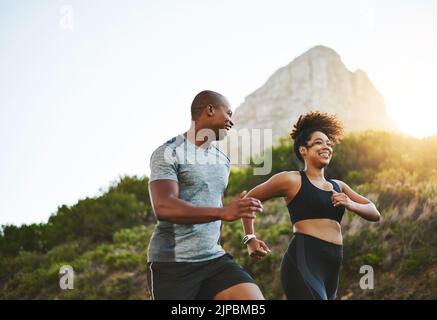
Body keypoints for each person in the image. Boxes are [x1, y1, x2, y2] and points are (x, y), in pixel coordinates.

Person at [241, 111, 381, 300]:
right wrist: (250, 238)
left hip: (332, 265)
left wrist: (351, 204)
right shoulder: (291, 180)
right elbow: (248, 201)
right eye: (318, 142)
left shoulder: (338, 186)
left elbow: (374, 212)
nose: (326, 147)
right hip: (303, 261)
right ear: (303, 150)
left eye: (328, 144)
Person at [147, 90, 265, 300]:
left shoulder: (222, 160)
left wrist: (249, 237)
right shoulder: (168, 152)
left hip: (214, 259)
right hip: (173, 264)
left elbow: (215, 206)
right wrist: (223, 212)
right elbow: (164, 207)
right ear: (210, 109)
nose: (231, 121)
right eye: (228, 113)